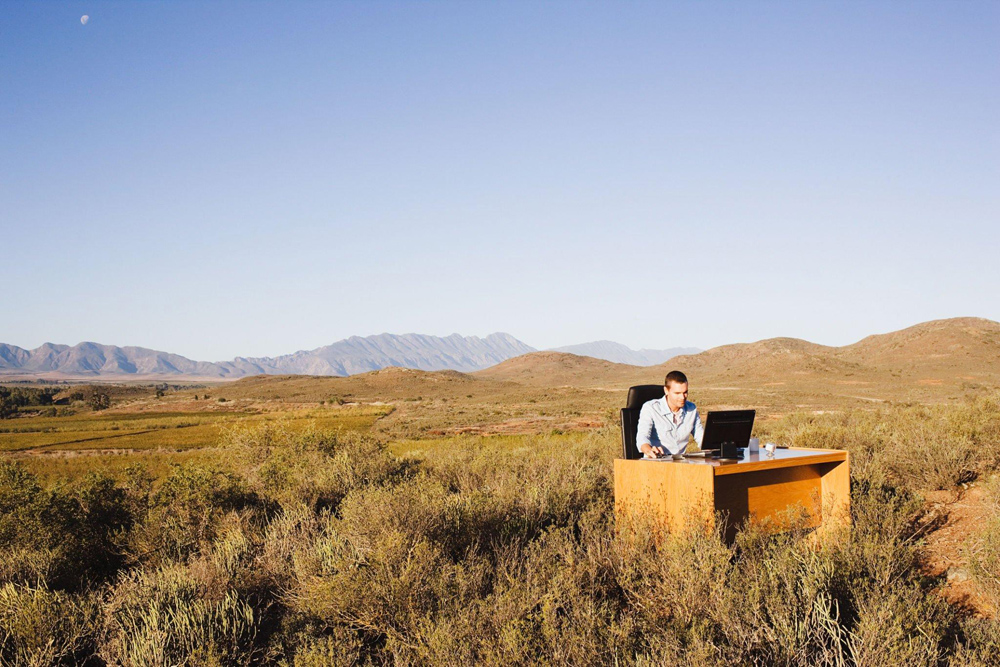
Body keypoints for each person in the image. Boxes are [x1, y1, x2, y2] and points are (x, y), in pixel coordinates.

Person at [636, 370, 704, 458]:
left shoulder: (691, 409)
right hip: (657, 461)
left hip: (681, 462)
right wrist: (649, 450)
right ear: (666, 390)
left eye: (685, 392)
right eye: (677, 393)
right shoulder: (650, 408)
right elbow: (642, 437)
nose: (682, 397)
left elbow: (701, 437)